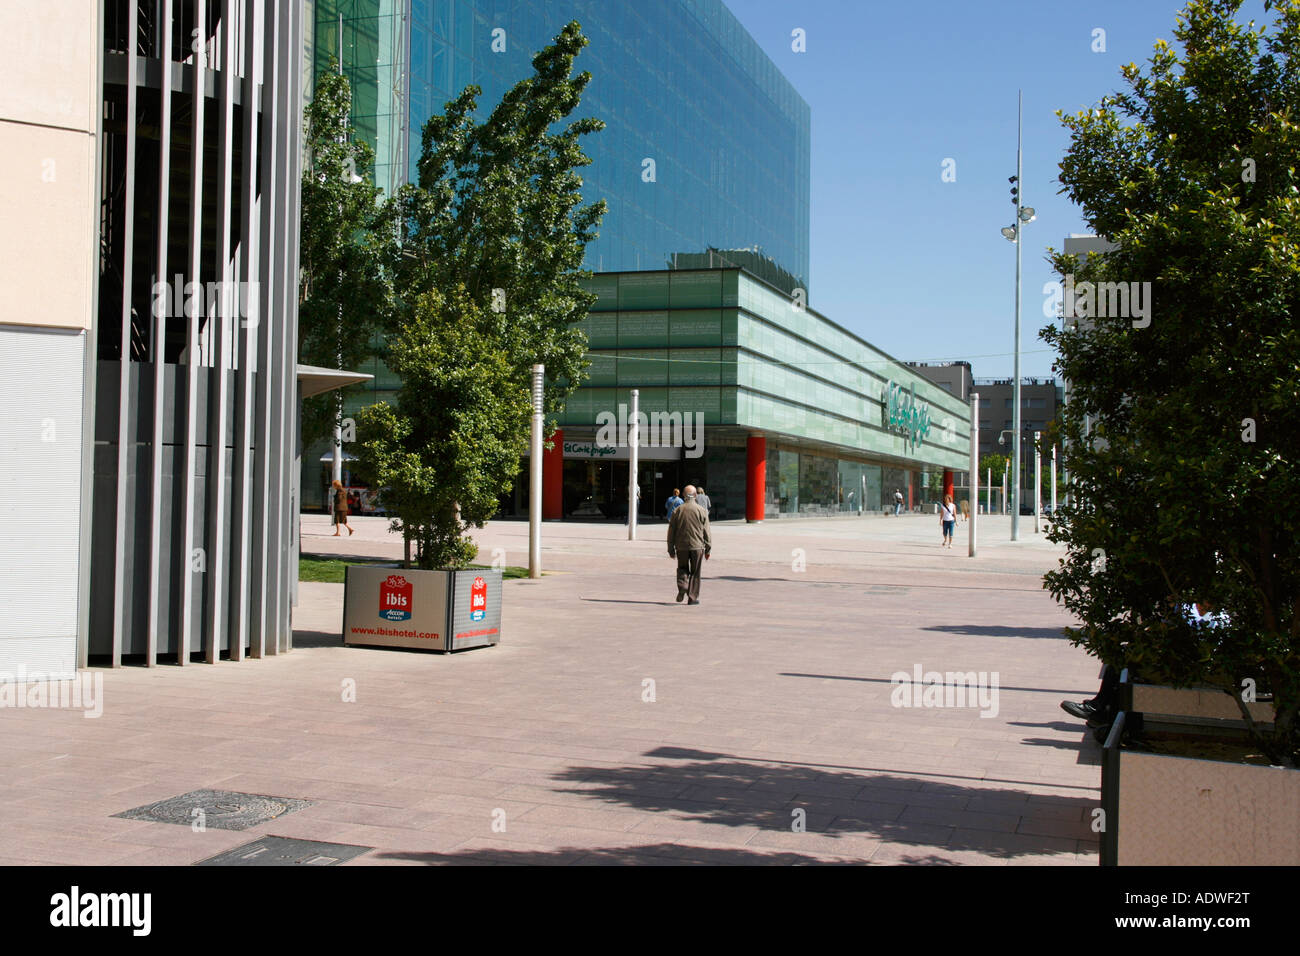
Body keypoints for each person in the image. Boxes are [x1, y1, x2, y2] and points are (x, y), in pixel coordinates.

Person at [667, 485, 711, 604]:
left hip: (681, 546)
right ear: (695, 495)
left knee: (682, 568)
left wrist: (670, 549)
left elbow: (671, 531)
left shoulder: (677, 511)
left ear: (683, 496)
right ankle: (692, 597)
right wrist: (708, 549)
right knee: (695, 572)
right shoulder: (702, 511)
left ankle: (683, 586)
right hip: (697, 546)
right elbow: (707, 531)